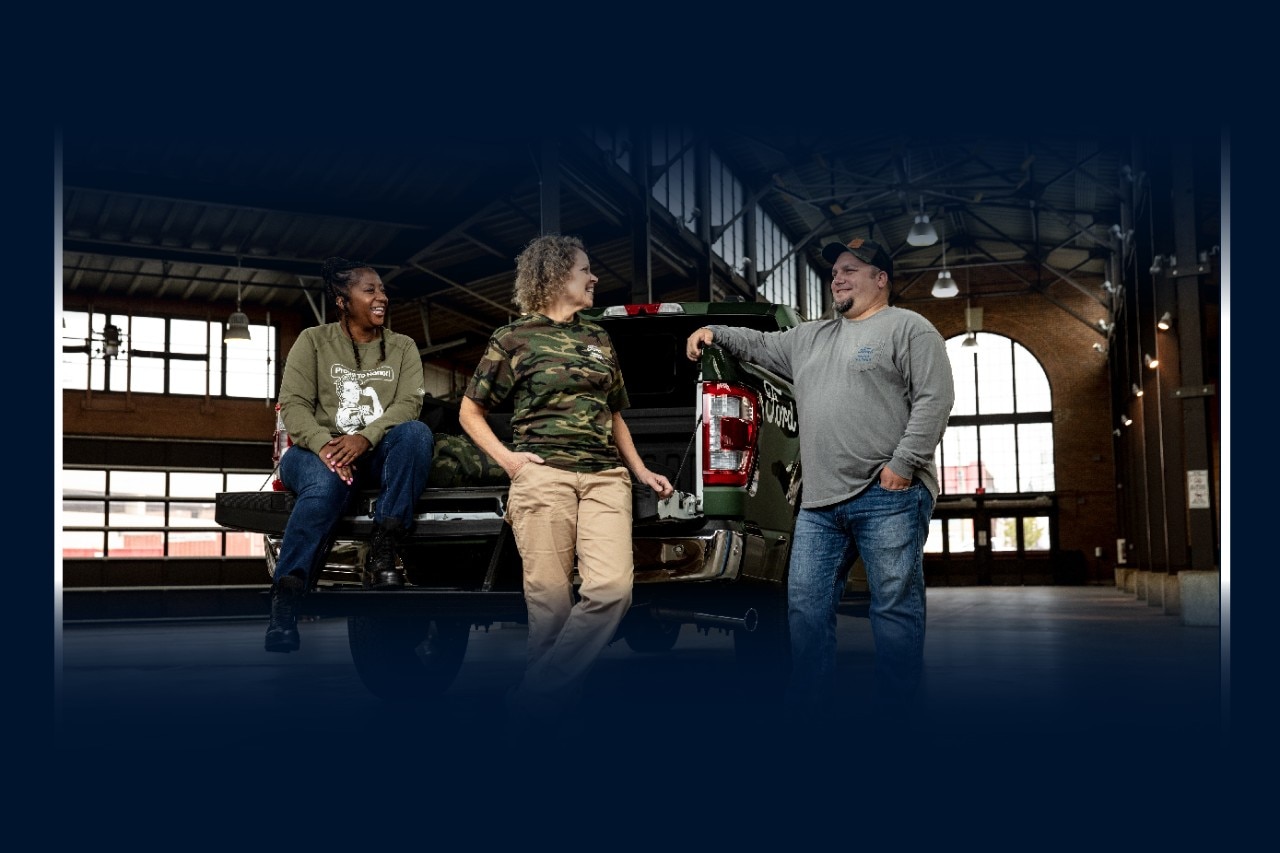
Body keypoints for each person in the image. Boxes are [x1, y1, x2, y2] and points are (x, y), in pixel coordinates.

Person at [685, 236, 954, 720]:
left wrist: (902, 465)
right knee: (806, 610)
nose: (839, 278)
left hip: (887, 494)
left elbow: (935, 400)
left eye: (852, 269)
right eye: (834, 272)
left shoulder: (908, 329)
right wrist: (714, 331)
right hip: (819, 503)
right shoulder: (810, 338)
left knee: (893, 609)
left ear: (880, 279)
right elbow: (760, 344)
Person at [459, 234, 673, 730]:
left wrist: (639, 470)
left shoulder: (598, 337)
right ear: (556, 277)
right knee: (551, 611)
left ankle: (532, 699)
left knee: (613, 589)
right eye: (585, 270)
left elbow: (614, 413)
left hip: (605, 480)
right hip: (543, 480)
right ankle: (547, 726)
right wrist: (510, 461)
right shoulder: (513, 338)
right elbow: (471, 410)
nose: (594, 277)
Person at [265, 257, 434, 653]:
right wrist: (327, 446)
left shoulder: (403, 347)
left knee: (416, 434)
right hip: (312, 451)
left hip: (373, 450)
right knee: (324, 486)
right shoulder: (313, 340)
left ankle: (384, 551)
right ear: (342, 301)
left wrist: (365, 438)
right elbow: (293, 405)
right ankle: (286, 600)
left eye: (383, 290)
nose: (382, 298)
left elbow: (408, 404)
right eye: (370, 290)